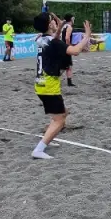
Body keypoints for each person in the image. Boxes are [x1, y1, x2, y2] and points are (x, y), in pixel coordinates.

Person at [32, 12, 91, 160]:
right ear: (48, 25)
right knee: (60, 120)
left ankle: (47, 137)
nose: (54, 21)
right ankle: (39, 149)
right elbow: (76, 51)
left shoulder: (40, 39)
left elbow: (53, 39)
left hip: (41, 84)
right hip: (49, 86)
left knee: (62, 113)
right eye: (52, 20)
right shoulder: (53, 42)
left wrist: (59, 28)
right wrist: (87, 36)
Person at [59, 14, 75, 86]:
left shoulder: (64, 26)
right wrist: (69, 47)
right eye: (73, 18)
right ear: (71, 19)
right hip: (65, 48)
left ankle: (69, 82)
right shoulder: (69, 27)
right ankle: (52, 78)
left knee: (68, 66)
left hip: (62, 47)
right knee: (64, 66)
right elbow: (67, 38)